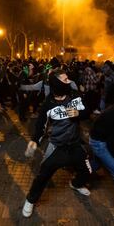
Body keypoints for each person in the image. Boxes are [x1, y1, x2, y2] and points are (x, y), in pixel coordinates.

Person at [22, 68, 91, 218]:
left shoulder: (75, 96)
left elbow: (88, 111)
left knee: (87, 171)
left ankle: (76, 184)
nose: (69, 82)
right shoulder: (48, 104)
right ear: (56, 83)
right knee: (43, 176)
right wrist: (34, 141)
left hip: (75, 144)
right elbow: (40, 125)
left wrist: (80, 113)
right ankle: (30, 200)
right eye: (65, 80)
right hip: (57, 146)